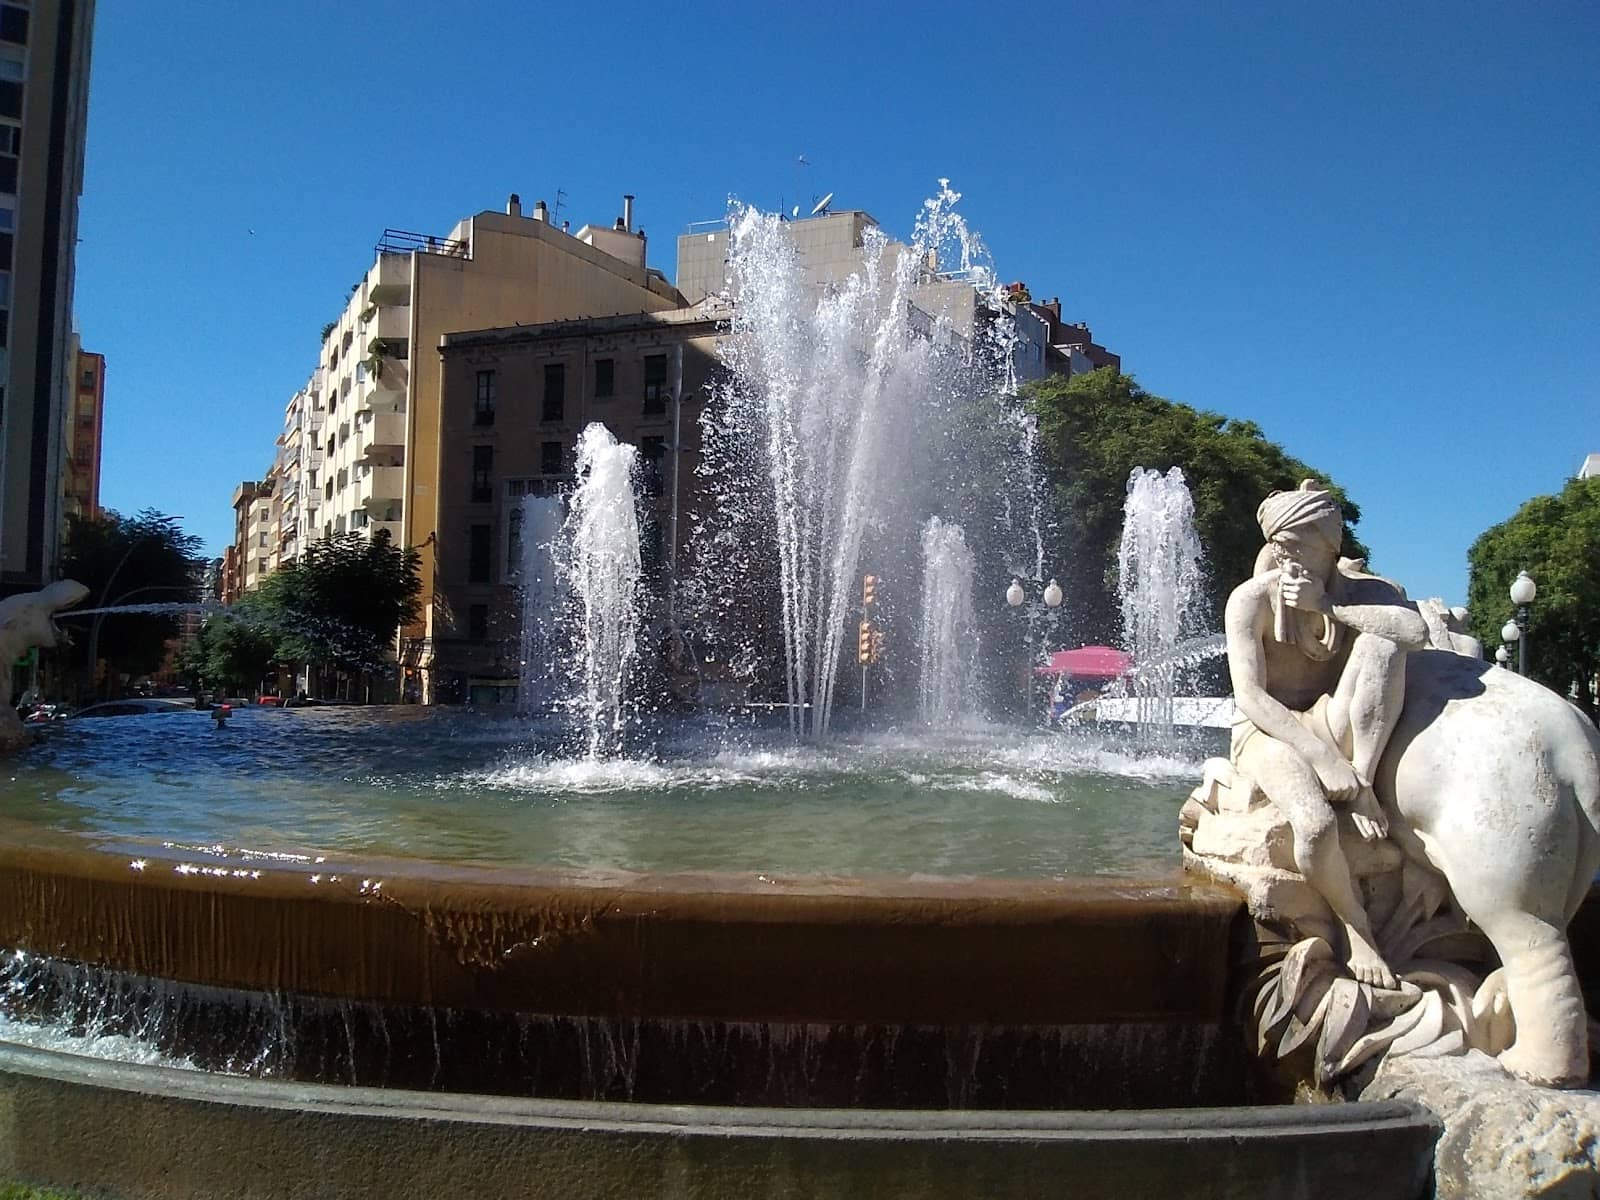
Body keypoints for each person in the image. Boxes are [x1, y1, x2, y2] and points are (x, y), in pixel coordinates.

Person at [1224, 481, 1428, 989]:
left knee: (1383, 646)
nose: (1285, 555)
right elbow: (1251, 697)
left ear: (1329, 546)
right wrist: (1322, 761)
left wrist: (1329, 608)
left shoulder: (1365, 595)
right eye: (1279, 544)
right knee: (1315, 828)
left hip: (1336, 723)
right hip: (1266, 732)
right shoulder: (1250, 600)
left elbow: (1416, 635)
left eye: (1298, 544)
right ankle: (1356, 928)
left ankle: (1362, 783)